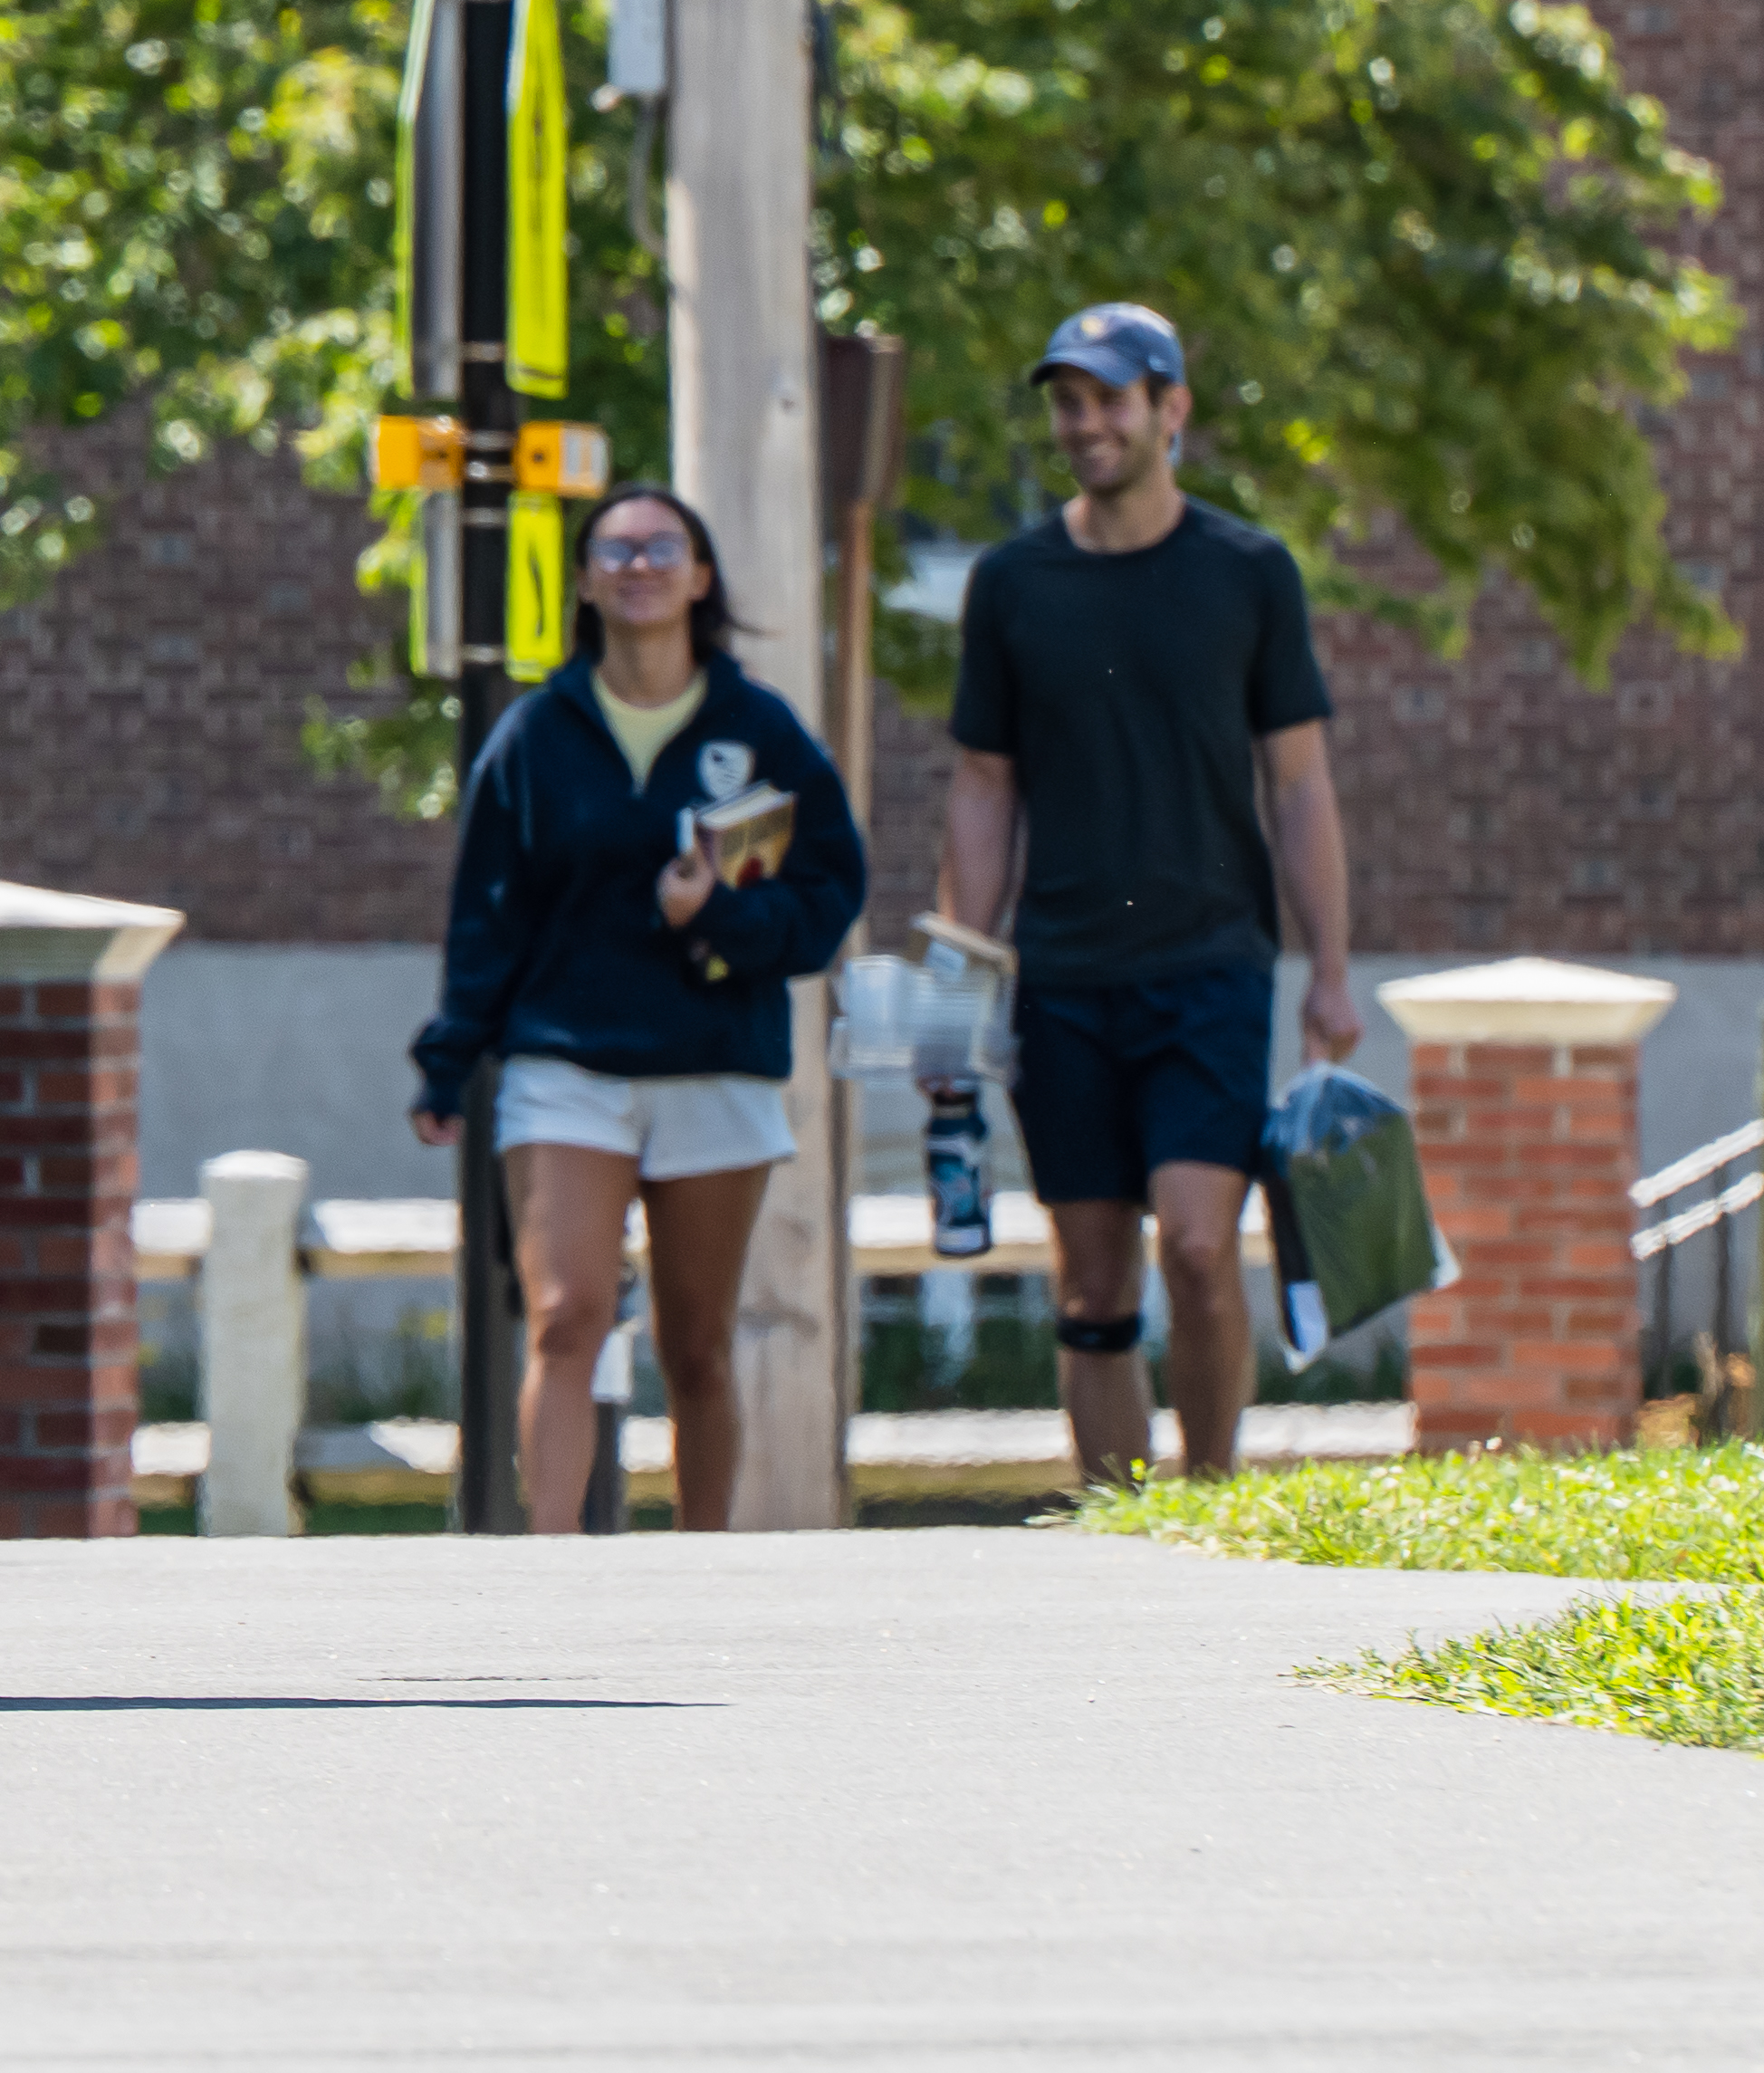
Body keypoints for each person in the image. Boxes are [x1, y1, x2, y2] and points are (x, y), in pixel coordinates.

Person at [940, 301, 1359, 1489]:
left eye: (1110, 398)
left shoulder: (1248, 572)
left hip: (1210, 963)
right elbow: (981, 786)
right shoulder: (1013, 582)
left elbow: (1301, 784)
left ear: (1171, 410)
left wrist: (1329, 969)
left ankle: (1211, 1496)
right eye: (1068, 402)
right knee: (1093, 1279)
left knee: (1194, 1246)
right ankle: (1114, 1519)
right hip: (1061, 973)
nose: (1086, 423)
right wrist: (958, 972)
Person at [408, 485, 866, 1533]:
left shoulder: (762, 732)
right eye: (614, 549)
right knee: (565, 1316)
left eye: (664, 546)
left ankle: (699, 1565)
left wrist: (719, 921)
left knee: (696, 1341)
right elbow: (487, 918)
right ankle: (553, 1567)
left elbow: (829, 898)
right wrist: (448, 1060)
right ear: (581, 580)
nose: (639, 564)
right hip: (563, 1065)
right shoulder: (534, 736)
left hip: (714, 1060)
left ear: (702, 576)